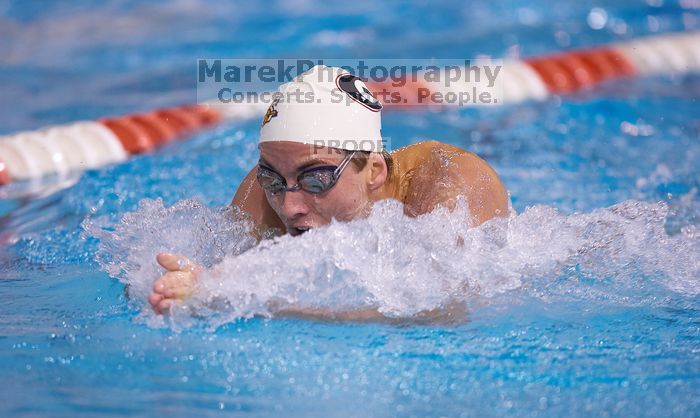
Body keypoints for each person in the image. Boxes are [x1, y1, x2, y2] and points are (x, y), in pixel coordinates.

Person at [149, 65, 509, 316]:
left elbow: (447, 309)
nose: (290, 207)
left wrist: (263, 302)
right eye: (273, 179)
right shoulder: (262, 193)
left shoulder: (451, 185)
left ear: (374, 171)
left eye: (316, 179)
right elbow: (206, 280)